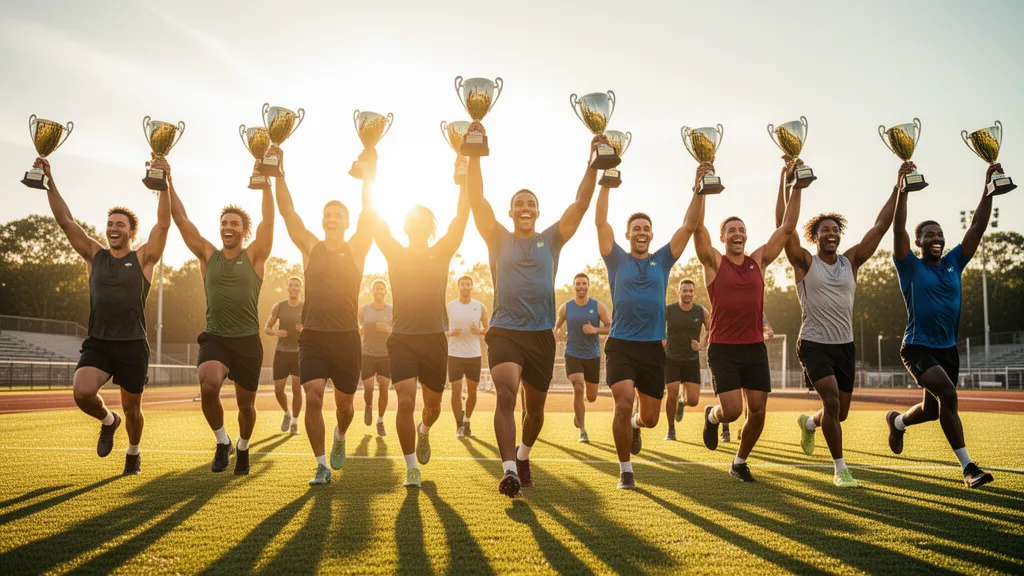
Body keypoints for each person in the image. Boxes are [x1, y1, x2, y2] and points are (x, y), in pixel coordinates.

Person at [468, 131, 603, 498]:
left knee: (535, 412)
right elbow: (476, 199)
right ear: (510, 212)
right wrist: (473, 153)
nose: (525, 208)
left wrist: (593, 162)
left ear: (538, 212)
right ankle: (509, 470)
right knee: (506, 395)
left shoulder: (551, 239)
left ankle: (523, 455)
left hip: (542, 335)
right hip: (505, 331)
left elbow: (580, 203)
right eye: (518, 204)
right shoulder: (497, 238)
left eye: (530, 204)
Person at [38, 156, 170, 475]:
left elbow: (164, 225)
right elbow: (66, 221)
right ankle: (109, 421)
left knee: (133, 408)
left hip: (132, 344)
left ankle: (133, 453)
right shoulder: (94, 255)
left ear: (131, 231)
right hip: (99, 342)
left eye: (119, 225)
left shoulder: (144, 259)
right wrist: (48, 180)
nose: (113, 229)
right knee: (82, 392)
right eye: (110, 224)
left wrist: (164, 182)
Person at [777, 160, 900, 487]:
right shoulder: (805, 262)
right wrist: (790, 185)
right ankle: (840, 469)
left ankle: (809, 425)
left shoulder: (851, 261)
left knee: (838, 413)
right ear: (815, 237)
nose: (831, 234)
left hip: (844, 345)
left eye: (835, 230)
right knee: (831, 401)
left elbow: (879, 227)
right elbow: (783, 229)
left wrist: (897, 188)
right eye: (824, 230)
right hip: (814, 344)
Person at [884, 162, 1000, 489]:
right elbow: (898, 231)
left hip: (948, 349)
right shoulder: (908, 266)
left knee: (932, 410)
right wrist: (902, 191)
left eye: (938, 234)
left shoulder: (953, 263)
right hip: (917, 346)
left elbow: (977, 226)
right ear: (919, 242)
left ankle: (898, 421)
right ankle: (969, 468)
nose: (935, 238)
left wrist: (987, 188)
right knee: (949, 394)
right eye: (928, 235)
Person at [689, 162, 802, 483]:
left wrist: (795, 185)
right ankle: (713, 416)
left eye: (742, 231)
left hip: (754, 347)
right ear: (723, 237)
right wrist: (699, 187)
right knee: (733, 411)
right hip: (723, 349)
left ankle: (739, 461)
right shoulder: (713, 262)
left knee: (759, 411)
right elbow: (697, 228)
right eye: (732, 231)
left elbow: (788, 227)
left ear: (746, 237)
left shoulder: (758, 261)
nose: (738, 234)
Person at [274, 149, 376, 486]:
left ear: (346, 223)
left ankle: (340, 436)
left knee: (345, 407)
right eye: (327, 214)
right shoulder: (310, 247)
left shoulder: (358, 248)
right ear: (322, 221)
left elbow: (369, 216)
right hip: (314, 336)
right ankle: (320, 464)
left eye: (337, 215)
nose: (331, 218)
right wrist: (279, 174)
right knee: (314, 397)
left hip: (347, 337)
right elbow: (287, 213)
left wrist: (369, 175)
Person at [170, 161, 274, 476]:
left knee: (246, 407)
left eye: (235, 223)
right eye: (224, 222)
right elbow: (181, 219)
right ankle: (221, 441)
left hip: (247, 341)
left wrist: (267, 184)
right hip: (215, 336)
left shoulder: (254, 257)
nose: (228, 227)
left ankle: (242, 445)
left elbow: (270, 220)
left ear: (244, 231)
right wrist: (168, 180)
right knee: (208, 383)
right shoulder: (208, 256)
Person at [371, 170, 470, 488]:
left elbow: (461, 218)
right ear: (405, 225)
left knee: (432, 407)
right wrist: (370, 175)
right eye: (411, 220)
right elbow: (374, 220)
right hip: (401, 339)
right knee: (405, 400)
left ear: (430, 227)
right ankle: (411, 467)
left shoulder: (440, 252)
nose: (417, 224)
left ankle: (423, 431)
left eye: (423, 220)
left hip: (434, 340)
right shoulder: (395, 251)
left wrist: (464, 179)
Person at [596, 183, 695, 489]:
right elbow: (600, 223)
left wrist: (698, 188)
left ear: (652, 235)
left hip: (652, 348)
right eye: (636, 228)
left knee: (649, 418)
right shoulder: (617, 259)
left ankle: (637, 425)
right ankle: (626, 471)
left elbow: (689, 226)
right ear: (628, 235)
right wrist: (605, 184)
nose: (641, 232)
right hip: (621, 345)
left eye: (646, 228)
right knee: (623, 403)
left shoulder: (663, 260)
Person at [555, 273, 610, 444]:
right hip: (572, 353)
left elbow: (611, 327)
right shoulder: (565, 307)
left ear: (588, 285)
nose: (581, 287)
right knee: (578, 387)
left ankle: (580, 409)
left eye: (584, 283)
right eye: (578, 283)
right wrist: (558, 333)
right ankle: (583, 430)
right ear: (574, 286)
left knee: (591, 397)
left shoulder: (598, 306)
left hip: (592, 355)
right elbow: (557, 326)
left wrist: (595, 330)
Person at [664, 279, 710, 441]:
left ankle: (682, 403)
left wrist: (702, 344)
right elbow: (655, 324)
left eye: (690, 291)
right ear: (679, 292)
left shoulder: (701, 311)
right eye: (684, 291)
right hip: (671, 358)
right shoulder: (669, 310)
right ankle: (671, 429)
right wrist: (662, 337)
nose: (687, 294)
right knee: (672, 392)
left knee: (693, 400)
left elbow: (711, 329)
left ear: (694, 293)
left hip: (691, 360)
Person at [446, 275, 489, 438]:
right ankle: (459, 425)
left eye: (468, 284)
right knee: (456, 390)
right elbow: (440, 330)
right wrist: (450, 333)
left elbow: (488, 330)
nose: (465, 287)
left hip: (473, 355)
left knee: (472, 392)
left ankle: (467, 419)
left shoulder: (480, 307)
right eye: (462, 284)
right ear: (458, 287)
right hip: (454, 354)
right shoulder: (450, 307)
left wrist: (479, 331)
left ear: (472, 287)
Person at [264, 276, 304, 435]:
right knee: (278, 390)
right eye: (292, 285)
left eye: (297, 286)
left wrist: (303, 330)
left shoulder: (306, 307)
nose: (294, 288)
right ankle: (287, 413)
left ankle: (295, 421)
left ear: (300, 289)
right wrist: (276, 332)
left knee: (296, 389)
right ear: (287, 287)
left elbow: (314, 329)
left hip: (299, 354)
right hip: (281, 352)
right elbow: (267, 328)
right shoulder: (279, 307)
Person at [359, 280, 392, 437]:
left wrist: (388, 329)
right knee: (369, 388)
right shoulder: (364, 309)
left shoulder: (392, 310)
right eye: (376, 288)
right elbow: (358, 326)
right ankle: (368, 406)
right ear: (372, 291)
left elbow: (399, 331)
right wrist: (360, 329)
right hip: (367, 354)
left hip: (385, 355)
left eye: (382, 289)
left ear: (385, 292)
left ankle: (380, 420)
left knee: (384, 388)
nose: (379, 291)